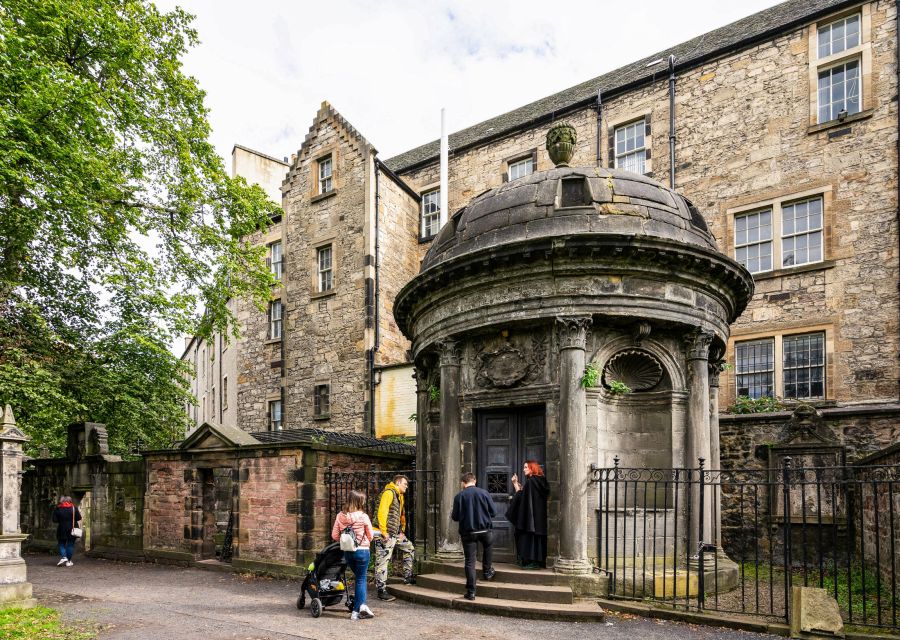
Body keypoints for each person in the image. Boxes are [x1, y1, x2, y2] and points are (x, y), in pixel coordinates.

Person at [451, 471, 497, 600]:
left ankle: (471, 592)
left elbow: (455, 517)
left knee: (470, 561)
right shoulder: (484, 493)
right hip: (485, 531)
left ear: (463, 483)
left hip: (469, 533)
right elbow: (494, 512)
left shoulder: (459, 497)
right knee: (488, 547)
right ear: (474, 481)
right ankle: (487, 572)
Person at [330, 490, 375, 620]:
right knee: (361, 579)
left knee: (360, 578)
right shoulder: (363, 516)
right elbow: (371, 536)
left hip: (348, 552)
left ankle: (362, 607)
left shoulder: (340, 516)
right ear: (359, 502)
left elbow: (334, 536)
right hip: (362, 551)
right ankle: (357, 610)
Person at [373, 474, 415, 601]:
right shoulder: (389, 493)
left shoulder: (399, 495)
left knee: (409, 548)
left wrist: (401, 531)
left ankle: (408, 577)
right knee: (383, 560)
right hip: (384, 533)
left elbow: (400, 516)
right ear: (397, 483)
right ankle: (381, 590)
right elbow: (382, 512)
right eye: (405, 484)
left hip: (395, 533)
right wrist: (384, 532)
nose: (407, 487)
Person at [507, 460, 549, 569]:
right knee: (536, 539)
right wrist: (522, 489)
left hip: (531, 518)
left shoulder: (531, 482)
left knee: (526, 536)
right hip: (539, 518)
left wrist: (516, 485)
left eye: (526, 467)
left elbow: (522, 499)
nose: (523, 469)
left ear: (532, 468)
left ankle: (530, 562)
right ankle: (538, 561)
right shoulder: (541, 481)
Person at [51, 495, 82, 567]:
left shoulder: (58, 509)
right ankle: (68, 561)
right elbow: (79, 518)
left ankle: (64, 557)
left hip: (62, 528)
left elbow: (54, 520)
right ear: (70, 500)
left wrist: (61, 519)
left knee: (61, 544)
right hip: (72, 528)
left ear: (61, 501)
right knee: (70, 545)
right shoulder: (74, 508)